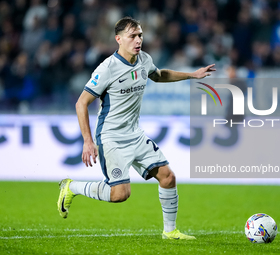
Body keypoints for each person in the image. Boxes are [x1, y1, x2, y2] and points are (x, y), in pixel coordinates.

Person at [57, 17, 215, 240]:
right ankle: (71, 187)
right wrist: (87, 141)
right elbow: (81, 103)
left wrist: (192, 74)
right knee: (120, 194)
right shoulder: (107, 68)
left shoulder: (144, 59)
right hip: (111, 137)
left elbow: (159, 75)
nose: (138, 40)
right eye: (133, 36)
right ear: (119, 39)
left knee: (168, 177)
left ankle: (170, 231)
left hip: (135, 135)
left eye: (140, 35)